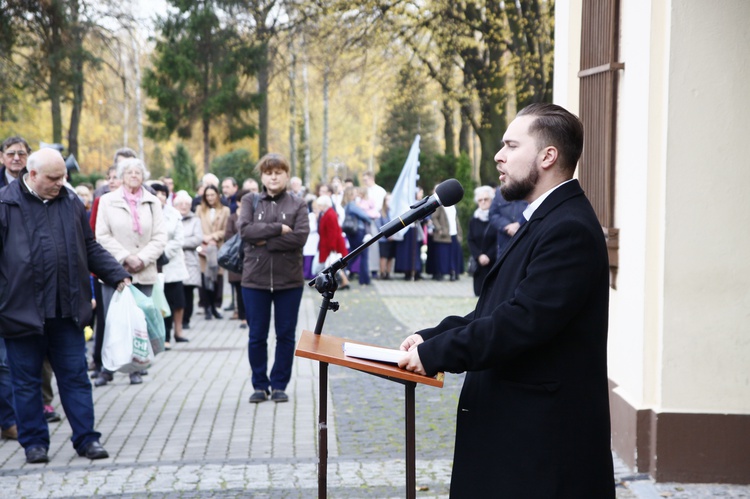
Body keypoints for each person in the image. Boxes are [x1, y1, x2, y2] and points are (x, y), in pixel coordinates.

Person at [398, 103, 615, 497]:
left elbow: (521, 321)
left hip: (541, 450)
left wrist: (438, 353)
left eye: (511, 145)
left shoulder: (569, 228)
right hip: (518, 441)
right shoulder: (546, 217)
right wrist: (432, 337)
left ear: (548, 156)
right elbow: (497, 306)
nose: (499, 155)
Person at [0, 148, 131, 464]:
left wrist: (117, 275)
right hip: (21, 312)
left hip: (67, 310)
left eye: (63, 176)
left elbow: (88, 246)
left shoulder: (71, 202)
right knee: (26, 382)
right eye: (53, 178)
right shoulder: (5, 204)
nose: (61, 183)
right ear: (32, 175)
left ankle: (87, 440)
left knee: (75, 377)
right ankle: (34, 444)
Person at [239, 153, 309, 404]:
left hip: (288, 280)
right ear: (262, 176)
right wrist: (278, 229)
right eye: (268, 172)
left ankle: (279, 384)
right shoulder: (250, 200)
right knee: (256, 335)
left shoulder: (298, 204)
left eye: (278, 172)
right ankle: (260, 385)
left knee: (285, 335)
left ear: (287, 175)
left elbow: (300, 237)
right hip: (254, 280)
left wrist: (263, 241)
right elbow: (245, 230)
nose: (273, 176)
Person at [95, 158, 167, 386]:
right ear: (122, 176)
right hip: (114, 270)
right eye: (129, 172)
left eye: (138, 172)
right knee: (112, 320)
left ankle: (136, 367)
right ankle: (107, 367)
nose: (134, 175)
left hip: (144, 270)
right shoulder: (107, 201)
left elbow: (160, 236)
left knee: (140, 321)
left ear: (143, 176)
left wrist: (142, 258)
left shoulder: (152, 202)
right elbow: (102, 236)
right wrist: (125, 257)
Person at [151, 182, 189, 347]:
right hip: (153, 264)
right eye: (157, 193)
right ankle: (164, 337)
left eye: (163, 193)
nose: (160, 196)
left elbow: (179, 239)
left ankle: (178, 332)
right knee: (161, 303)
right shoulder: (147, 212)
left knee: (178, 301)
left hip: (172, 263)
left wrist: (164, 252)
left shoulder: (174, 214)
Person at [195, 185, 230, 320]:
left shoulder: (225, 210)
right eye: (207, 195)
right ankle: (206, 307)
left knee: (217, 278)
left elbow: (226, 229)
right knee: (204, 279)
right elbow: (196, 226)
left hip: (217, 248)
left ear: (217, 195)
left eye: (212, 195)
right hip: (203, 249)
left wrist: (214, 236)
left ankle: (215, 306)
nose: (210, 198)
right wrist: (204, 238)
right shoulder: (199, 210)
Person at [174, 191, 203, 330]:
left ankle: (186, 319)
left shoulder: (195, 220)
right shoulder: (171, 219)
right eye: (181, 204)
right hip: (174, 261)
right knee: (176, 292)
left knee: (188, 292)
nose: (184, 206)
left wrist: (178, 242)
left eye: (186, 204)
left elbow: (197, 239)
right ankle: (176, 320)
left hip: (190, 261)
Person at [224, 190, 249, 328]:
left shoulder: (254, 216)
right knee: (239, 288)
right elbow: (227, 235)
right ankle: (242, 317)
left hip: (251, 257)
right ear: (238, 202)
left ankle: (251, 314)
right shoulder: (232, 217)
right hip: (237, 256)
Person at [467, 185, 498, 296]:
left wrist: (488, 256)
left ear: (491, 200)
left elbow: (498, 240)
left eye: (486, 199)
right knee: (479, 294)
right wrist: (479, 256)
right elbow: (470, 240)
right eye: (480, 200)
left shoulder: (496, 218)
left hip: (494, 262)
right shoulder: (474, 220)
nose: (483, 202)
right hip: (479, 265)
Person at [314, 195, 350, 288]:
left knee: (331, 264)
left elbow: (332, 232)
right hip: (328, 244)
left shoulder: (329, 214)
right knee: (331, 265)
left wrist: (332, 247)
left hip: (330, 245)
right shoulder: (328, 213)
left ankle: (344, 282)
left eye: (320, 205)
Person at [341, 186, 374, 285]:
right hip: (359, 232)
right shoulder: (352, 205)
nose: (356, 194)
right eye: (354, 192)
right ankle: (364, 279)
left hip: (352, 233)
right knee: (363, 255)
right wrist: (369, 218)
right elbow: (365, 216)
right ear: (351, 195)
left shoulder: (347, 205)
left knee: (353, 254)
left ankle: (343, 270)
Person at [489, 184, 527, 259]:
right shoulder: (499, 193)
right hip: (505, 243)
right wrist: (507, 226)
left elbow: (533, 208)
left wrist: (519, 223)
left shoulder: (528, 187)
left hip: (525, 239)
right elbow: (492, 214)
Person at [377, 193, 397, 280]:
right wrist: (387, 235)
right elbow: (379, 226)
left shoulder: (394, 211)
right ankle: (382, 273)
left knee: (390, 256)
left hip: (393, 238)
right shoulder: (381, 212)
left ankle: (388, 273)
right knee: (383, 256)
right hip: (383, 239)